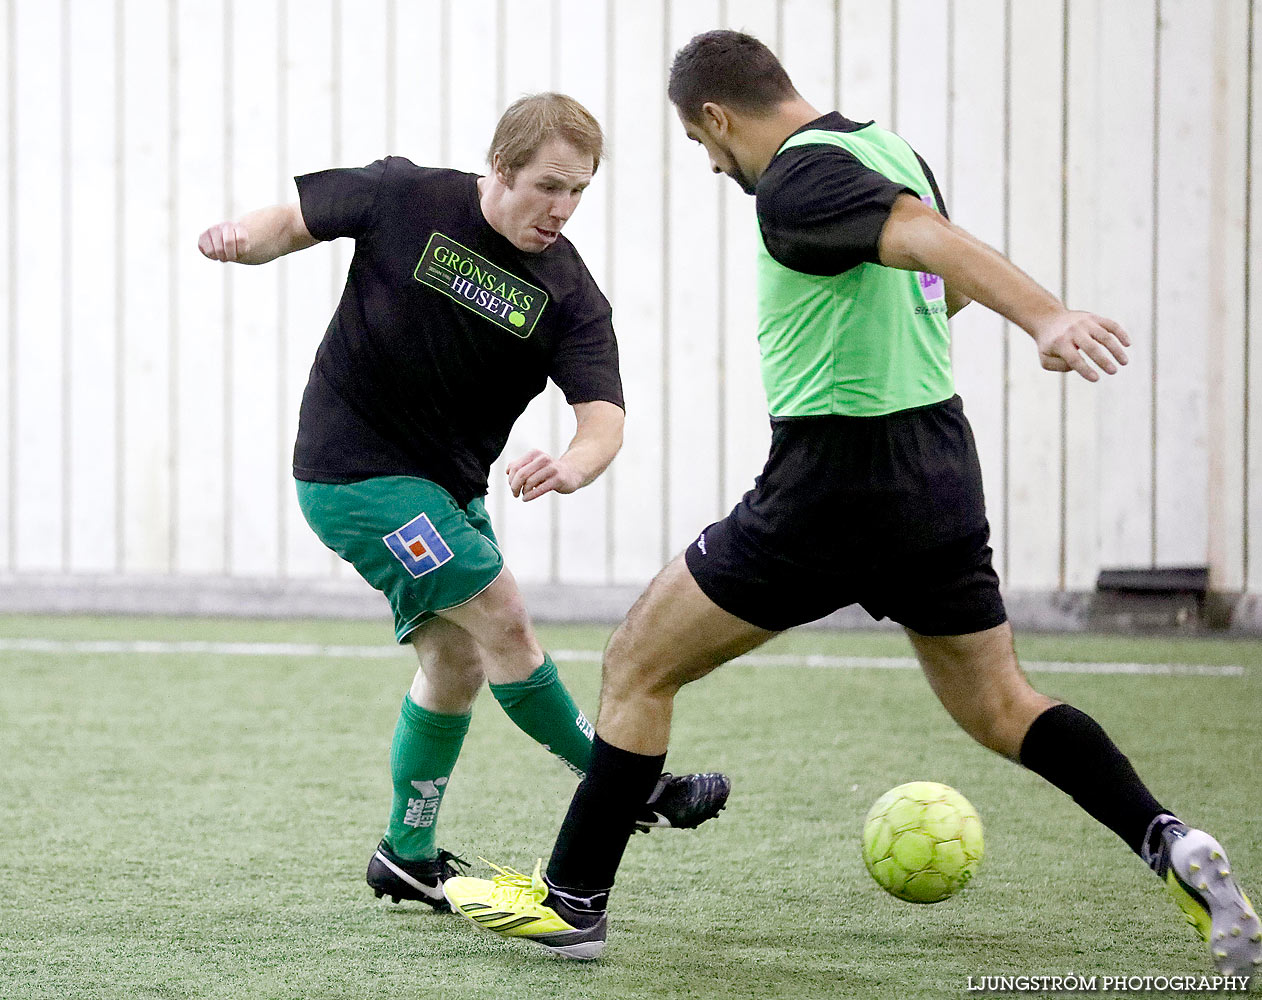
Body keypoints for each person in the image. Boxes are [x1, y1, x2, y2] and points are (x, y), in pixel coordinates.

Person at [441, 34, 1262, 972]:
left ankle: (573, 902)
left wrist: (1047, 317)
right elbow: (937, 281)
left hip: (834, 478)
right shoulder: (889, 150)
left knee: (636, 667)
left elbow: (922, 242)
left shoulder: (794, 182)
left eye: (705, 149)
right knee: (1001, 704)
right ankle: (1166, 838)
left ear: (717, 117)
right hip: (939, 469)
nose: (715, 168)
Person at [196, 92, 731, 913]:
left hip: (445, 492)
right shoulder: (403, 195)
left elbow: (604, 416)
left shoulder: (569, 293)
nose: (563, 209)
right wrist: (242, 242)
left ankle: (405, 856)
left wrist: (577, 465)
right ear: (502, 166)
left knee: (455, 663)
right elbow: (291, 221)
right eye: (549, 184)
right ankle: (628, 788)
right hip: (352, 473)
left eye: (579, 191)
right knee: (504, 615)